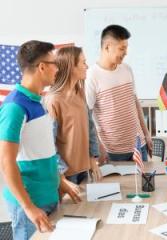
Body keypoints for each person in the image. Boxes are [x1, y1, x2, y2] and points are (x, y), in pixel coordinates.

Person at [0, 40, 70, 239]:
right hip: (30, 206)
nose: (58, 69)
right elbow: (6, 163)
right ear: (42, 67)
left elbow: (43, 150)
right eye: (55, 63)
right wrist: (29, 207)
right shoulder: (14, 107)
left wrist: (60, 181)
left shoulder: (38, 101)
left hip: (48, 197)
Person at [85, 25, 152, 161]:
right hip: (112, 151)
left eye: (126, 48)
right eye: (122, 48)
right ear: (107, 47)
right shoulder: (91, 76)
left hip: (139, 146)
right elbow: (87, 116)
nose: (126, 52)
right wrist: (99, 147)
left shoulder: (127, 69)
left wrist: (147, 134)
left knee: (143, 182)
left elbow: (135, 103)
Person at [45, 46, 102, 190]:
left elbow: (90, 128)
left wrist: (92, 159)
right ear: (71, 67)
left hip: (84, 169)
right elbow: (48, 145)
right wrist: (62, 175)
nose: (87, 66)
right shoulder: (53, 100)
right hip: (65, 176)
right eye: (83, 63)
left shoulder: (80, 92)